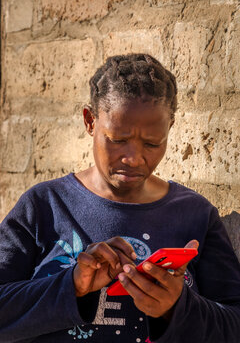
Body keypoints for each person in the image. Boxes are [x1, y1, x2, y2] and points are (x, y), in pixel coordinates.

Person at [0, 53, 240, 343]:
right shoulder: (44, 206)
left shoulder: (195, 215)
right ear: (90, 121)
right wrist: (72, 286)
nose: (134, 158)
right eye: (117, 140)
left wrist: (178, 308)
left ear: (170, 128)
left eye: (152, 143)